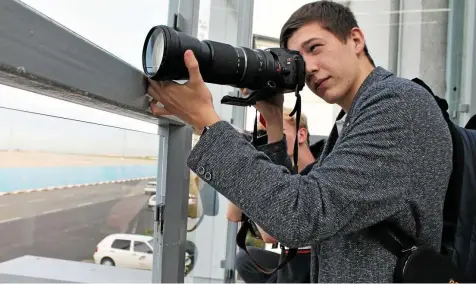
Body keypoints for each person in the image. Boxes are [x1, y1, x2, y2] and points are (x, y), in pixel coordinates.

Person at [146, 1, 453, 282]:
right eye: (301, 63)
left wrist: (207, 122)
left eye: (315, 47)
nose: (311, 69)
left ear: (356, 40)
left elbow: (300, 216)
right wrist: (274, 122)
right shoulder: (354, 117)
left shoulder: (395, 105)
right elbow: (286, 217)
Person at [227, 108, 322, 283]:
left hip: (318, 264)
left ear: (301, 135)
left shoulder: (323, 170)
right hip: (292, 262)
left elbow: (271, 235)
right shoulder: (283, 173)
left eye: (280, 133)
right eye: (266, 135)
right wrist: (248, 167)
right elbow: (233, 215)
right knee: (245, 259)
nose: (272, 141)